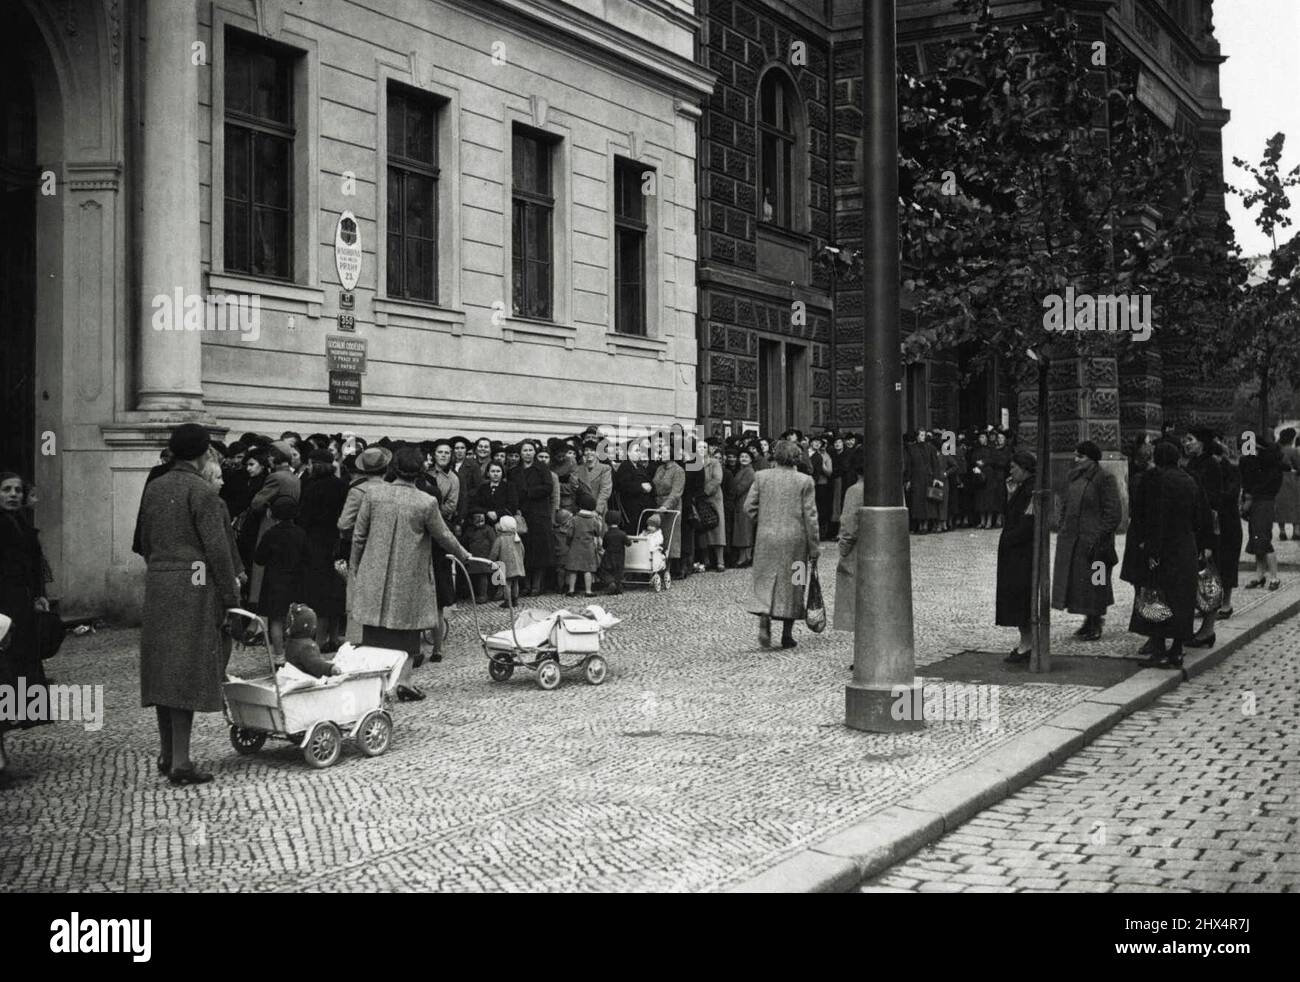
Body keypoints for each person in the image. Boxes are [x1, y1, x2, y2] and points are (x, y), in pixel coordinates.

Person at [137, 424, 241, 786]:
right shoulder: (203, 492)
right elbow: (219, 552)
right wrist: (231, 598)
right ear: (204, 453)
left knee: (165, 672)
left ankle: (168, 754)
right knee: (185, 674)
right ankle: (181, 761)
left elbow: (144, 542)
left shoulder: (154, 487)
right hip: (194, 588)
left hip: (160, 584)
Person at [349, 446, 474, 701]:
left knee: (374, 628)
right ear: (420, 471)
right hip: (410, 574)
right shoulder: (426, 501)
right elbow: (444, 536)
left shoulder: (372, 495)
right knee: (408, 632)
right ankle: (404, 682)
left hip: (374, 570)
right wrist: (465, 555)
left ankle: (375, 684)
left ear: (394, 468)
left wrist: (356, 567)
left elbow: (358, 536)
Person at [1129, 442, 1212, 669]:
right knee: (1181, 599)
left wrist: (1151, 550)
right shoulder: (1189, 480)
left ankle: (1158, 650)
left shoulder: (1154, 479)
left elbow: (1151, 517)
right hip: (1185, 546)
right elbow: (1201, 517)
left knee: (1156, 598)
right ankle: (1176, 650)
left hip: (1162, 548)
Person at [0, 471, 53, 783]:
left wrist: (38, 596)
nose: (13, 495)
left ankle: (3, 755)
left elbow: (33, 567)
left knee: (16, 675)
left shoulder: (21, 524)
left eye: (17, 490)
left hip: (20, 608)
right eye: (6, 489)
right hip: (3, 608)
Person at [743, 439, 820, 649]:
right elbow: (810, 517)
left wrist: (765, 521)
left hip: (766, 538)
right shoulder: (805, 480)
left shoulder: (761, 477)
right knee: (796, 583)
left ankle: (765, 614)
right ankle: (788, 634)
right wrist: (815, 547)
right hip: (797, 541)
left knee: (765, 578)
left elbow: (749, 507)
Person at [1051, 441, 1121, 641]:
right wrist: (1062, 524)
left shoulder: (1105, 478)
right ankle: (1087, 620)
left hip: (1097, 544)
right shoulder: (1074, 477)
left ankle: (1096, 621)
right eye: (1076, 456)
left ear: (1092, 459)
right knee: (1080, 583)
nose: (1076, 460)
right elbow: (1066, 504)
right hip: (1075, 541)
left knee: (1097, 582)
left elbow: (1113, 512)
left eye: (1080, 457)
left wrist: (1101, 535)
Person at [298, 449, 348, 652]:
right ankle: (334, 636)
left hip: (316, 544)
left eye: (310, 464)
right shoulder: (341, 486)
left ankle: (319, 639)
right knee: (336, 590)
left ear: (316, 465)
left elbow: (304, 518)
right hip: (336, 542)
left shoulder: (312, 487)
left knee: (318, 592)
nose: (308, 467)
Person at [1182, 429, 1224, 649]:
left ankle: (1208, 629)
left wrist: (1209, 540)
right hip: (1194, 527)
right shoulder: (1192, 464)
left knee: (1208, 580)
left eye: (1191, 440)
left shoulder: (1210, 465)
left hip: (1206, 528)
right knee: (1198, 579)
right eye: (1186, 440)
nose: (1186, 443)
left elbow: (1214, 502)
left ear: (1202, 443)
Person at [247, 442, 301, 611]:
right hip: (289, 525)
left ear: (277, 457)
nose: (269, 458)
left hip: (270, 523)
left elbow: (256, 503)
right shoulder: (294, 478)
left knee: (261, 572)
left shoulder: (275, 478)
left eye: (271, 455)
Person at [254, 495, 307, 663]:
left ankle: (279, 656)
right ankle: (295, 654)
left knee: (275, 620)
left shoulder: (271, 534)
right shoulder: (301, 533)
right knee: (294, 620)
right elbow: (308, 558)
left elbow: (259, 558)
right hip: (296, 580)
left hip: (274, 582)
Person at [997, 453, 1039, 663]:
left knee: (1020, 599)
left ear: (1024, 468)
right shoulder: (1023, 488)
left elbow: (1027, 522)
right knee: (1017, 599)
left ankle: (1027, 645)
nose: (1010, 472)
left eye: (1013, 468)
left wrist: (1010, 539)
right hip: (1016, 551)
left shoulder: (1032, 490)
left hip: (1021, 552)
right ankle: (1026, 643)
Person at [1240, 431, 1285, 591]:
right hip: (1259, 501)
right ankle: (1260, 575)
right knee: (1256, 538)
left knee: (1263, 539)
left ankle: (1274, 577)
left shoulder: (1268, 464)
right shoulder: (1260, 462)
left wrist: (1250, 496)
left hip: (1263, 501)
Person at [512, 439, 555, 597]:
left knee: (539, 551)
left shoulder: (541, 468)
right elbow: (512, 490)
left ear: (534, 452)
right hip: (523, 514)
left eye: (530, 450)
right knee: (524, 549)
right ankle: (526, 584)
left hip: (539, 514)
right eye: (525, 450)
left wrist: (530, 492)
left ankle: (537, 585)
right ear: (521, 453)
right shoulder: (515, 471)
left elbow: (548, 487)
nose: (527, 453)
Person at [833, 471, 863, 643]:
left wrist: (843, 548)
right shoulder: (893, 488)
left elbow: (849, 526)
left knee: (857, 601)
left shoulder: (855, 491)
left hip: (859, 552)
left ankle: (863, 652)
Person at [652, 441, 686, 577]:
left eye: (665, 452)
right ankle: (657, 565)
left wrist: (666, 506)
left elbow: (676, 492)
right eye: (661, 452)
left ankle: (668, 568)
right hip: (657, 503)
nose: (662, 454)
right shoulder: (660, 469)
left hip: (671, 506)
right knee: (657, 536)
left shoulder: (678, 471)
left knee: (670, 536)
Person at [566, 491, 604, 597]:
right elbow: (598, 532)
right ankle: (588, 591)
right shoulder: (593, 520)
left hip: (575, 546)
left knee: (573, 569)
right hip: (589, 547)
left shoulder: (574, 519)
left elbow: (569, 533)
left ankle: (571, 590)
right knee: (588, 570)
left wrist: (568, 543)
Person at [699, 438, 728, 570]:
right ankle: (706, 560)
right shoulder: (693, 463)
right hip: (699, 500)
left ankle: (720, 561)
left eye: (704, 447)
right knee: (703, 531)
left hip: (713, 498)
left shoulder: (714, 463)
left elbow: (717, 479)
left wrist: (705, 492)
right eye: (699, 447)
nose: (701, 450)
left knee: (717, 528)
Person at [459, 508, 497, 603]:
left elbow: (494, 542)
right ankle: (478, 594)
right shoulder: (470, 530)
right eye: (476, 518)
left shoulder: (488, 529)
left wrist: (492, 556)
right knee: (476, 577)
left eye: (481, 518)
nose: (479, 520)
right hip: (474, 557)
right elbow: (464, 541)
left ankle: (484, 595)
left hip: (485, 556)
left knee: (483, 577)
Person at [489, 515, 526, 607]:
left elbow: (494, 552)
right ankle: (515, 599)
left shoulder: (500, 539)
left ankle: (507, 600)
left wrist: (490, 561)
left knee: (506, 584)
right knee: (515, 583)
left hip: (506, 565)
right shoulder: (517, 537)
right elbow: (522, 550)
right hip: (517, 564)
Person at [573, 440, 613, 518]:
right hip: (582, 510)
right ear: (583, 453)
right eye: (586, 450)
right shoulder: (578, 469)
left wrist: (597, 510)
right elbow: (574, 489)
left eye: (592, 450)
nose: (589, 453)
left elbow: (605, 491)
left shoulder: (605, 468)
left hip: (599, 509)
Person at [472, 460, 519, 526]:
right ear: (488, 473)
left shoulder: (509, 487)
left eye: (498, 471)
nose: (495, 474)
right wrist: (487, 512)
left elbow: (512, 506)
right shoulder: (482, 488)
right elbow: (475, 505)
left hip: (504, 523)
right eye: (493, 471)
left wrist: (497, 514)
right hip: (485, 523)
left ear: (502, 473)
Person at [1275, 427, 1300, 540]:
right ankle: (1296, 531)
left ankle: (1282, 531)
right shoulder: (1292, 451)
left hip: (1278, 479)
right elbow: (1298, 466)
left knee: (1281, 506)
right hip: (1291, 479)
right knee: (1295, 505)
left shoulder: (1277, 449)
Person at [600, 509, 630, 595]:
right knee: (618, 572)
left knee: (604, 571)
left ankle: (610, 582)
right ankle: (618, 587)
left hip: (608, 556)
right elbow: (628, 543)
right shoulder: (622, 534)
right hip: (620, 557)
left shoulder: (607, 534)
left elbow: (604, 546)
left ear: (607, 521)